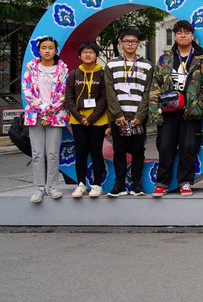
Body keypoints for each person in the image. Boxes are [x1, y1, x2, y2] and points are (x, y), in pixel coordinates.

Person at [150, 20, 203, 197]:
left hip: (191, 112)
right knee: (165, 146)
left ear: (193, 35)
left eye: (186, 32)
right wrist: (156, 109)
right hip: (169, 111)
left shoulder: (202, 60)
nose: (183, 35)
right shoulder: (165, 58)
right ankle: (162, 183)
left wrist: (198, 105)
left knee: (189, 146)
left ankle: (185, 182)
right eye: (179, 33)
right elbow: (156, 84)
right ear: (175, 36)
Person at [104, 28, 153, 196]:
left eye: (133, 41)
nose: (130, 44)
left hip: (138, 117)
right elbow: (109, 91)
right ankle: (119, 184)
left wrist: (141, 116)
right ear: (120, 43)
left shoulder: (146, 65)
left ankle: (137, 184)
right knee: (119, 151)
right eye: (126, 41)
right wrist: (117, 115)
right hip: (119, 118)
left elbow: (148, 92)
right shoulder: (111, 65)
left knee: (138, 150)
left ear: (138, 44)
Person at [22, 37, 69, 203]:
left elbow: (63, 93)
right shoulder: (31, 69)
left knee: (53, 153)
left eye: (50, 48)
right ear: (39, 50)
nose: (47, 51)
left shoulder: (62, 70)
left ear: (56, 50)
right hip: (35, 116)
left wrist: (50, 113)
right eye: (44, 48)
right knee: (37, 153)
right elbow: (28, 92)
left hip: (55, 116)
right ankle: (39, 188)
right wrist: (42, 111)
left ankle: (53, 186)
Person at [64, 42, 110, 198]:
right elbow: (68, 98)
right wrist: (81, 117)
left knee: (96, 151)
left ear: (96, 55)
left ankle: (97, 185)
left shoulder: (103, 74)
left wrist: (91, 118)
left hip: (98, 120)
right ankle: (80, 184)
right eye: (85, 52)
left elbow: (105, 98)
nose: (88, 55)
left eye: (91, 52)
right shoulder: (74, 74)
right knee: (81, 152)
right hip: (78, 120)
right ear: (79, 56)